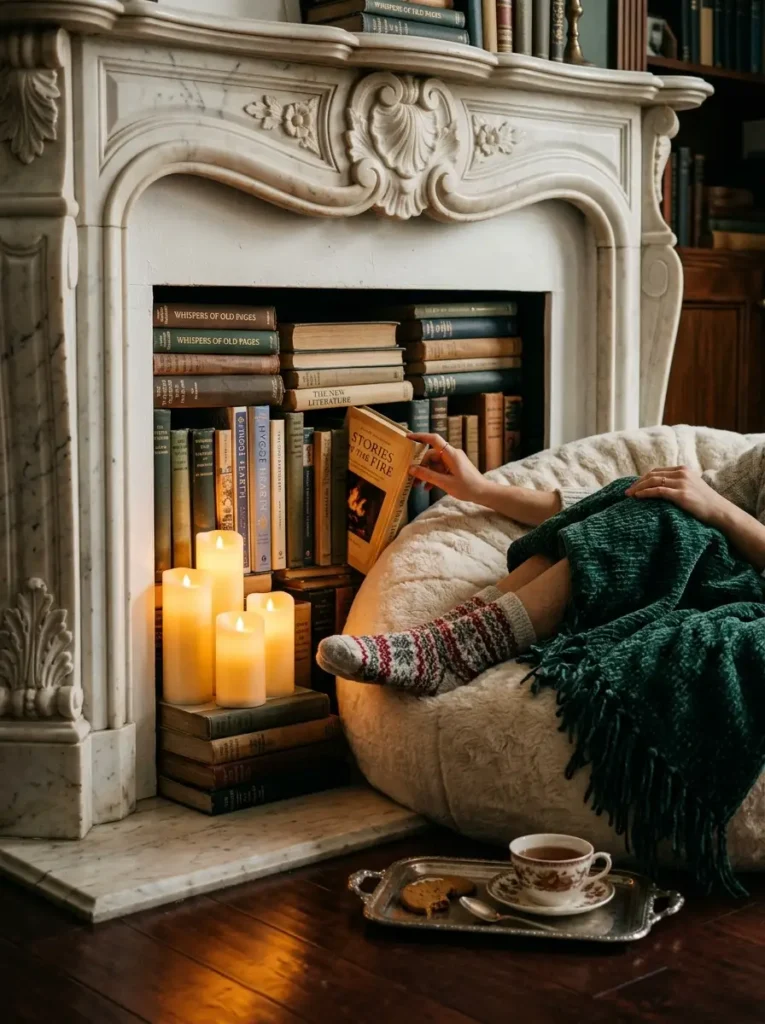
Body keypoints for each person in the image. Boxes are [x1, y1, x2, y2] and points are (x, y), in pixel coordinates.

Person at [316, 432, 765, 696]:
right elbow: (661, 497)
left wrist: (719, 510)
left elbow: (701, 508)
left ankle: (454, 651)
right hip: (705, 573)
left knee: (666, 517)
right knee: (644, 493)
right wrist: (481, 490)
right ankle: (449, 637)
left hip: (746, 605)